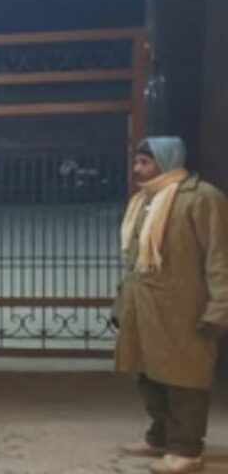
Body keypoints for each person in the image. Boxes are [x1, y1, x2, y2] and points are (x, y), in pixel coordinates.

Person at [113, 137, 228, 474]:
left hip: (184, 310)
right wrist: (122, 304)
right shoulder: (144, 200)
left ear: (166, 160)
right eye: (136, 162)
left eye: (145, 162)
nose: (137, 169)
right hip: (146, 308)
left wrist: (220, 308)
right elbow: (134, 262)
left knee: (185, 380)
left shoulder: (202, 198)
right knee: (150, 375)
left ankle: (187, 450)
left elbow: (219, 257)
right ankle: (160, 436)